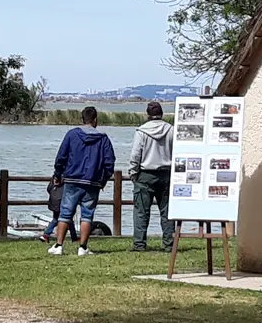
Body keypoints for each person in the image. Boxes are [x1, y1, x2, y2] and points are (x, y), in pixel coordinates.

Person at [49, 105, 115, 257]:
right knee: (87, 215)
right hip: (92, 182)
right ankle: (83, 247)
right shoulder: (103, 139)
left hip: (72, 179)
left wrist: (58, 174)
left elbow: (61, 157)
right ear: (96, 120)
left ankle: (59, 245)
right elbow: (109, 162)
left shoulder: (72, 135)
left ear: (82, 119)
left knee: (65, 213)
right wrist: (103, 179)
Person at [124, 99, 174, 252]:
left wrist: (133, 172)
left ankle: (139, 244)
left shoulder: (141, 131)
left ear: (147, 115)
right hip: (166, 173)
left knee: (141, 211)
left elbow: (135, 154)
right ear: (161, 114)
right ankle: (169, 244)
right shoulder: (171, 130)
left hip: (145, 174)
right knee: (167, 211)